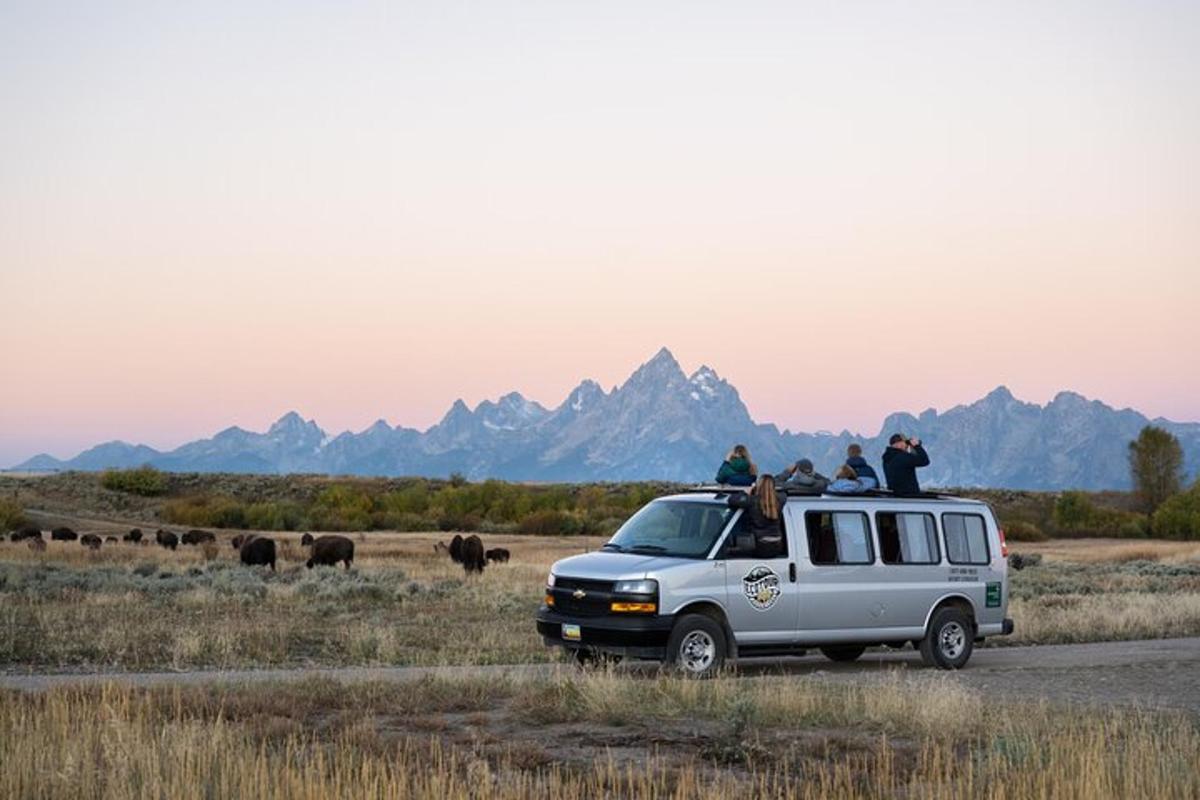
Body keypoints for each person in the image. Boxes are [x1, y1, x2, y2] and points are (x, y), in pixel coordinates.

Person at [726, 474, 786, 557]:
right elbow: (784, 493)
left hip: (760, 547)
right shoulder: (780, 500)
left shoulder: (752, 501)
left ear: (759, 486)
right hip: (777, 546)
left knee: (729, 552)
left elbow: (732, 499)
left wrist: (745, 492)